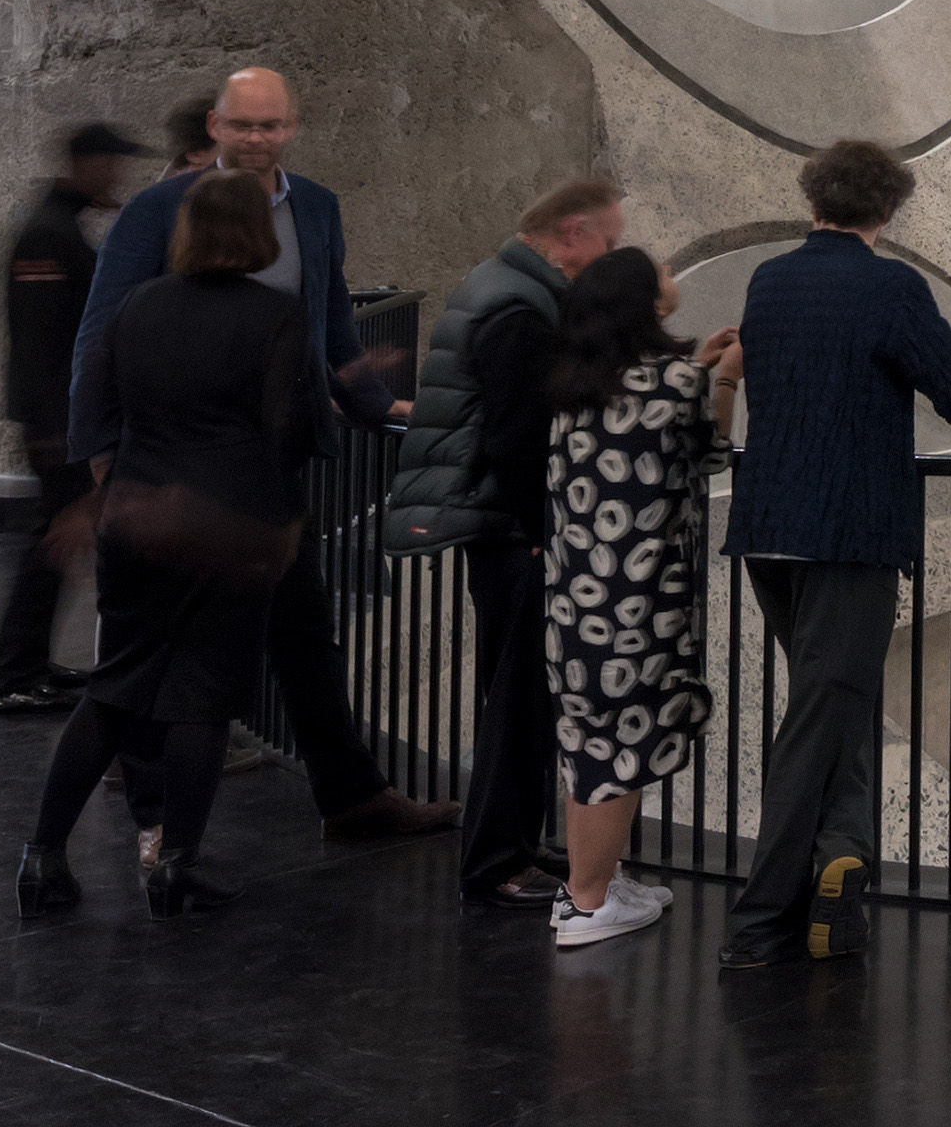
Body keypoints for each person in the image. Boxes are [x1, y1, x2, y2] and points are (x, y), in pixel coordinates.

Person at [68, 64, 462, 846]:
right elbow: (99, 337)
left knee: (303, 633)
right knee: (153, 648)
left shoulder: (314, 206)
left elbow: (330, 322)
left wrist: (377, 406)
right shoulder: (156, 212)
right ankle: (152, 820)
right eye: (242, 125)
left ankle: (351, 798)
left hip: (269, 468)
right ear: (215, 128)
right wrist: (102, 459)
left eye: (271, 126)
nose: (257, 139)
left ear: (291, 129)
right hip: (172, 467)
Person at [722, 136, 951, 967]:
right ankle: (758, 925)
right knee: (818, 716)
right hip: (850, 531)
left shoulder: (770, 279)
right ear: (889, 208)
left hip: (767, 528)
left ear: (811, 199)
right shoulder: (890, 286)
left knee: (841, 697)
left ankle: (844, 865)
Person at [18, 169, 324, 920]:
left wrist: (112, 492)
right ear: (259, 235)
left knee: (114, 689)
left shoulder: (136, 306)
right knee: (202, 699)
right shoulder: (275, 315)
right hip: (227, 526)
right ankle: (176, 864)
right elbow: (292, 431)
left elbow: (94, 404)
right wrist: (285, 521)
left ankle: (41, 858)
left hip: (135, 517)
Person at [390, 174, 629, 907]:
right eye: (609, 243)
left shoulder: (502, 287)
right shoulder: (518, 307)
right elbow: (522, 438)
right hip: (518, 532)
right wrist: (541, 532)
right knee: (520, 701)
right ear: (572, 233)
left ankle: (517, 846)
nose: (611, 258)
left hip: (509, 527)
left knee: (523, 694)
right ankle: (497, 860)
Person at [536, 244, 738, 948]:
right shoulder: (674, 381)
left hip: (577, 595)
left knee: (588, 737)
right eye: (659, 274)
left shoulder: (576, 381)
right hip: (642, 598)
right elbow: (708, 455)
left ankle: (595, 881)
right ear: (646, 302)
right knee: (625, 742)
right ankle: (588, 901)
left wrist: (698, 370)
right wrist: (724, 384)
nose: (668, 279)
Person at [0, 122, 155, 717]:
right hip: (54, 427)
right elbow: (40, 346)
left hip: (59, 424)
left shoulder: (62, 229)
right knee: (50, 543)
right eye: (112, 165)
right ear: (86, 164)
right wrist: (56, 435)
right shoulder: (47, 236)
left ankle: (28, 665)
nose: (118, 178)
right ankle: (10, 677)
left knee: (54, 545)